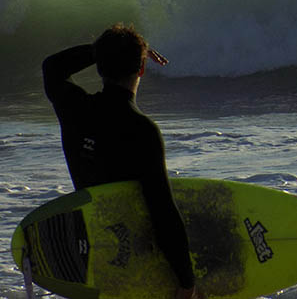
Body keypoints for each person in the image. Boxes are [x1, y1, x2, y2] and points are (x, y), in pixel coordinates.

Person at [43, 24, 199, 299]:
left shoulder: (75, 108)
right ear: (141, 69)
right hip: (136, 261)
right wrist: (187, 281)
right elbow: (162, 211)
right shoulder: (141, 130)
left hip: (90, 253)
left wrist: (100, 51)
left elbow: (52, 66)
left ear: (100, 67)